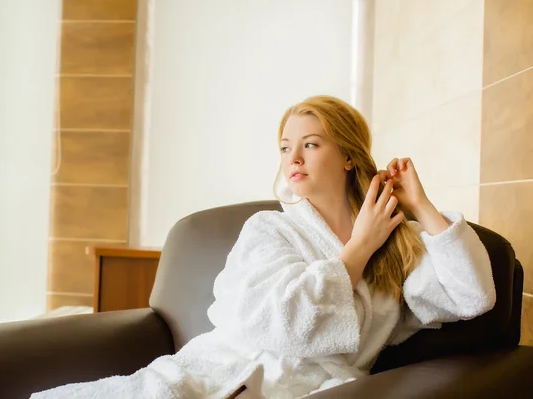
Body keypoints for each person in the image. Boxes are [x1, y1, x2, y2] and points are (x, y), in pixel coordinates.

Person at [31, 95, 496, 398]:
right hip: (218, 371)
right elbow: (280, 326)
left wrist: (421, 205)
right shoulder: (268, 230)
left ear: (349, 156)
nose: (293, 158)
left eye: (311, 144)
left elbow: (473, 296)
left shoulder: (397, 243)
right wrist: (356, 249)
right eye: (284, 146)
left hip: (320, 388)